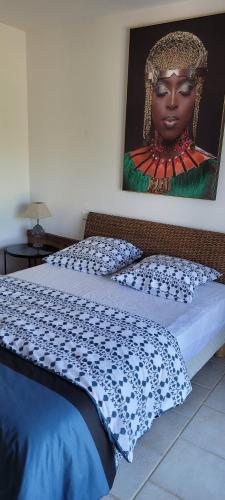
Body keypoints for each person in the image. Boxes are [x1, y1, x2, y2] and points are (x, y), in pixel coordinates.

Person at [123, 31, 218, 199]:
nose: (172, 102)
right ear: (149, 96)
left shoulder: (209, 171)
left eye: (185, 90)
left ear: (196, 95)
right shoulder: (127, 166)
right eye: (161, 90)